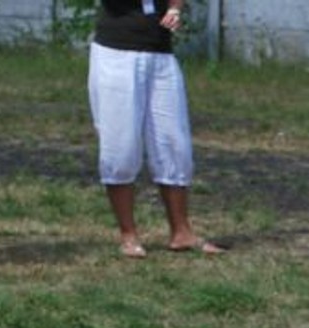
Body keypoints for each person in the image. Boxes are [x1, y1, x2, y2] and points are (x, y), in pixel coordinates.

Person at [90, 0, 221, 256]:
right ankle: (129, 235)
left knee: (174, 142)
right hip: (117, 53)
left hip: (160, 54)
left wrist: (174, 8)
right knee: (121, 145)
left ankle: (181, 232)